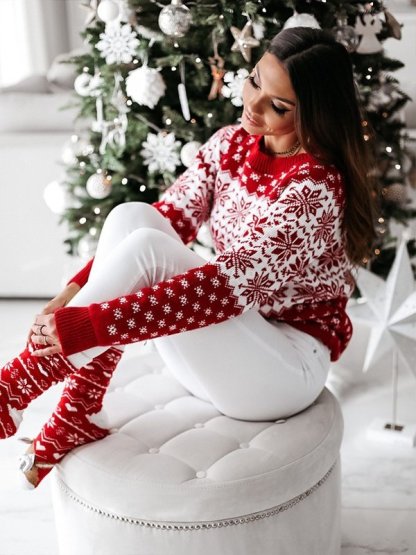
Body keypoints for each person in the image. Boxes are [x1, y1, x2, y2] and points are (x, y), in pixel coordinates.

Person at [0, 26, 377, 489]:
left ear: (314, 114)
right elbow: (171, 216)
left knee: (151, 249)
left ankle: (18, 384)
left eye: (278, 106)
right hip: (224, 350)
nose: (253, 105)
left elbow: (226, 291)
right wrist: (72, 293)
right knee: (133, 216)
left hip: (282, 373)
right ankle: (77, 409)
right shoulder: (230, 144)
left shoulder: (314, 188)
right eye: (255, 82)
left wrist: (88, 326)